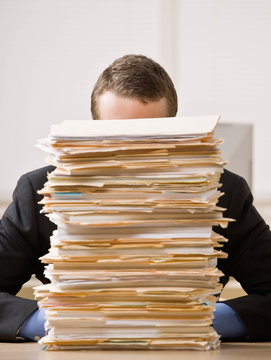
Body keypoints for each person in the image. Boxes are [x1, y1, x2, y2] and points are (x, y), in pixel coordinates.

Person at [0, 54, 270, 342]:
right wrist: (47, 321)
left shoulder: (223, 193)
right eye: (114, 136)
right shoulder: (41, 190)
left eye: (148, 139)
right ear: (91, 130)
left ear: (176, 133)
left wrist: (207, 321)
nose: (130, 154)